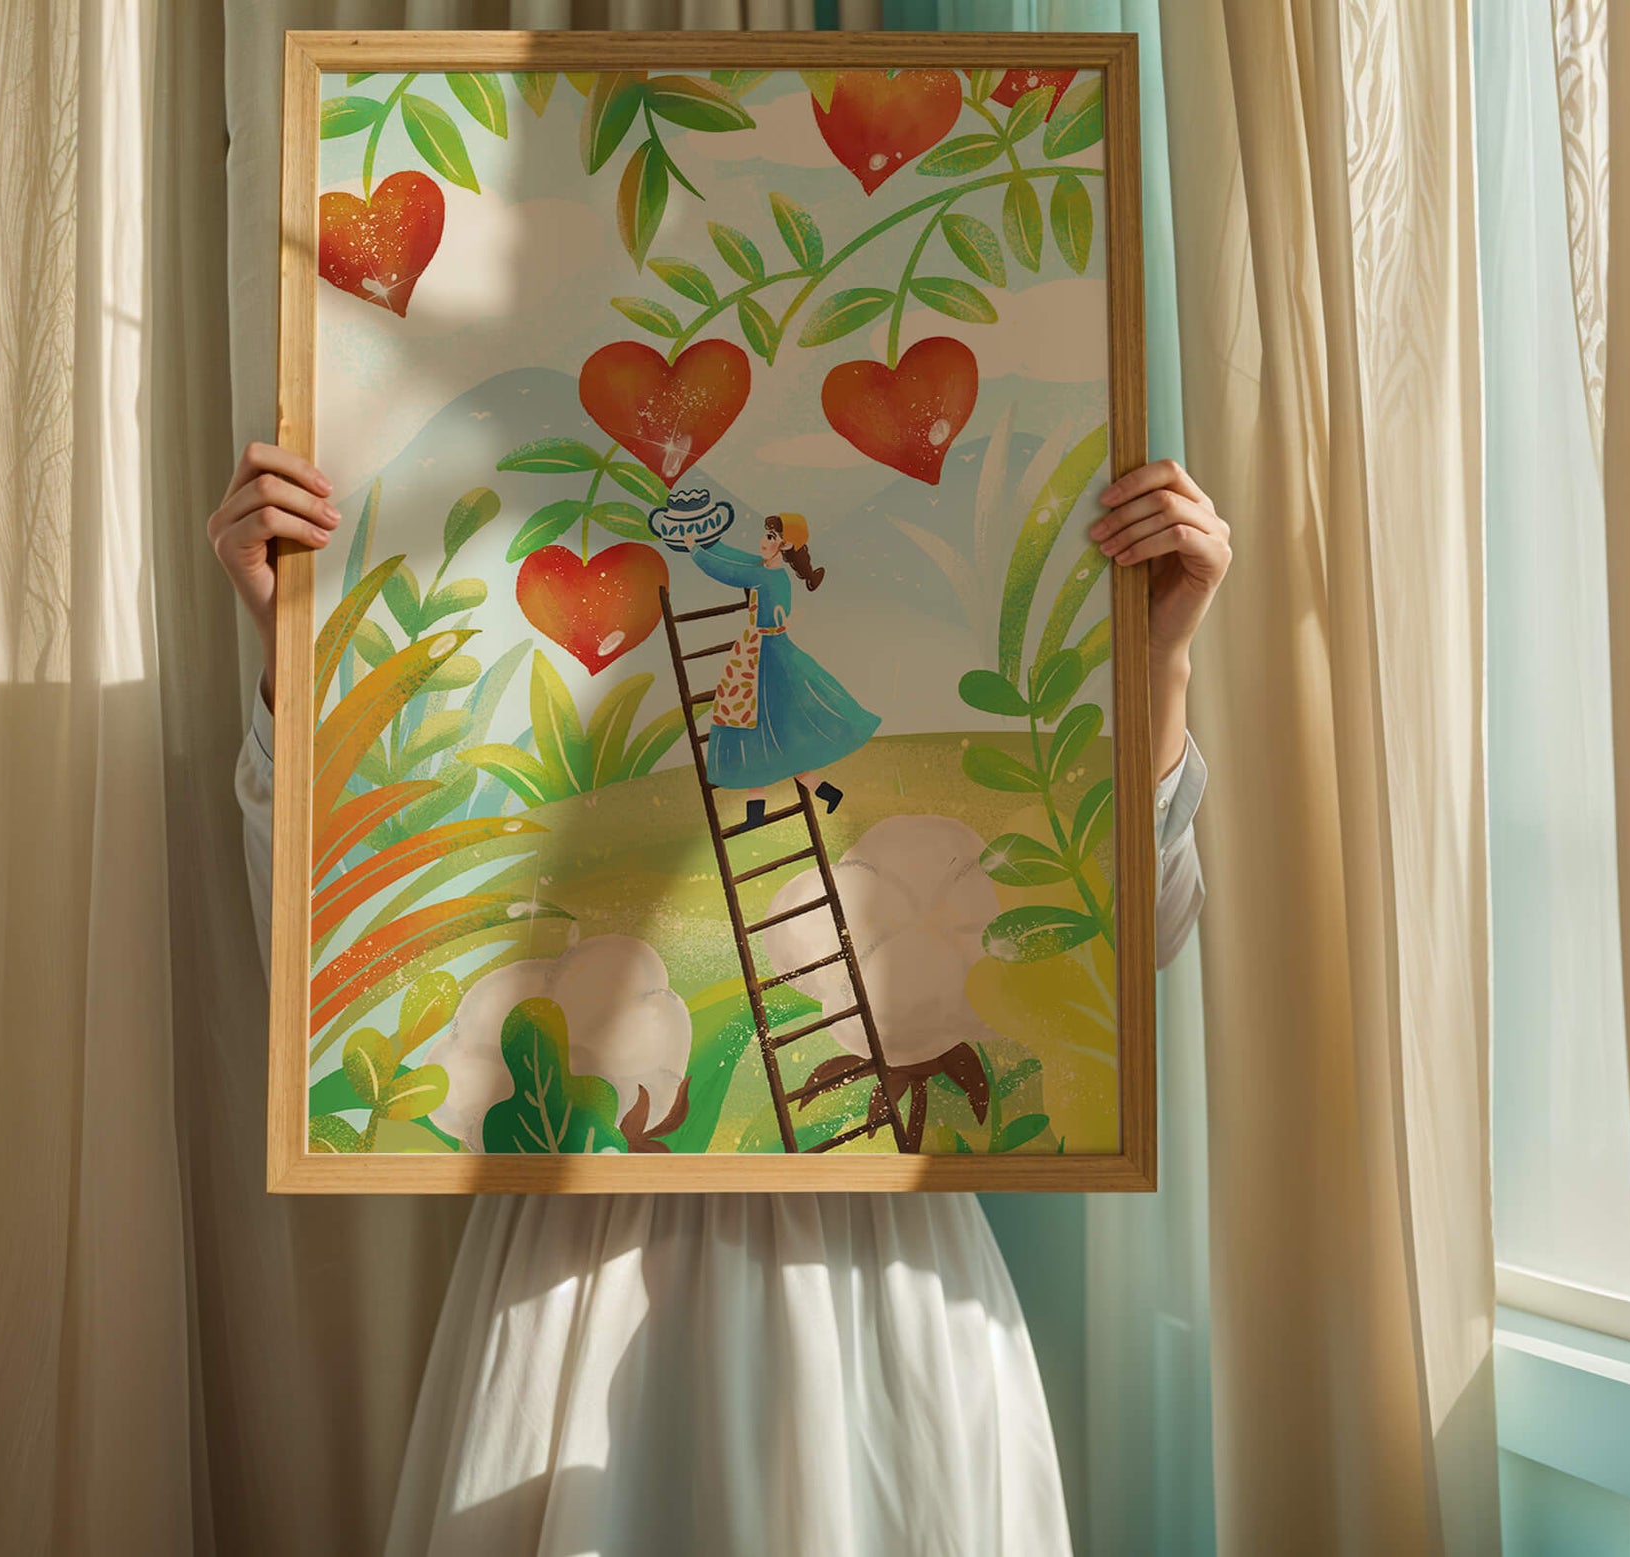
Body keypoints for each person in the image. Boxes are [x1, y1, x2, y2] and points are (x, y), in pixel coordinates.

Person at [211, 445, 1228, 1556]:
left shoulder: (808, 604)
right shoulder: (702, 617)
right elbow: (338, 967)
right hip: (582, 1271)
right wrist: (302, 648)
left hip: (876, 1266)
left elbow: (1135, 946)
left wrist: (1153, 660)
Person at [674, 506, 878, 824]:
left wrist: (696, 552)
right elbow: (740, 561)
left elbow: (729, 572)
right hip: (769, 651)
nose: (763, 541)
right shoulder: (772, 572)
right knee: (773, 736)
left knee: (754, 730)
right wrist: (712, 543)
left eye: (771, 537)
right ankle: (824, 793)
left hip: (763, 656)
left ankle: (761, 812)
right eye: (766, 534)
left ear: (782, 545)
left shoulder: (764, 576)